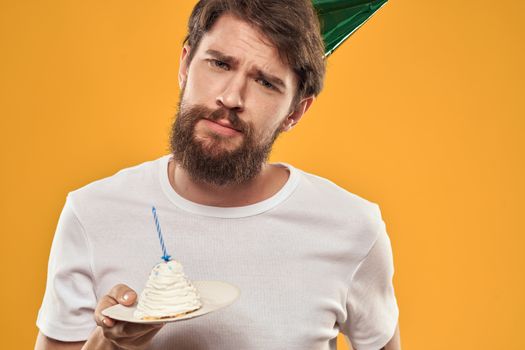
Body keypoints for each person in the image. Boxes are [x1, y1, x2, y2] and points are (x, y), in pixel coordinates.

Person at [35, 0, 401, 349]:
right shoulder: (92, 213)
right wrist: (110, 342)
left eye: (266, 82)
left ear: (296, 112)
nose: (231, 97)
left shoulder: (352, 227)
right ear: (185, 64)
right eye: (220, 64)